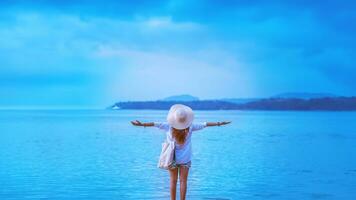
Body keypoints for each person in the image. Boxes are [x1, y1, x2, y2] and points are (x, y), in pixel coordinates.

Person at [131, 104, 231, 200]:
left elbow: (153, 124)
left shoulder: (168, 126)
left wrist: (141, 124)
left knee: (173, 181)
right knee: (183, 182)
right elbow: (205, 124)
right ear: (186, 119)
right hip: (185, 159)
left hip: (172, 158)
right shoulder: (191, 127)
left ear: (174, 118)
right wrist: (219, 123)